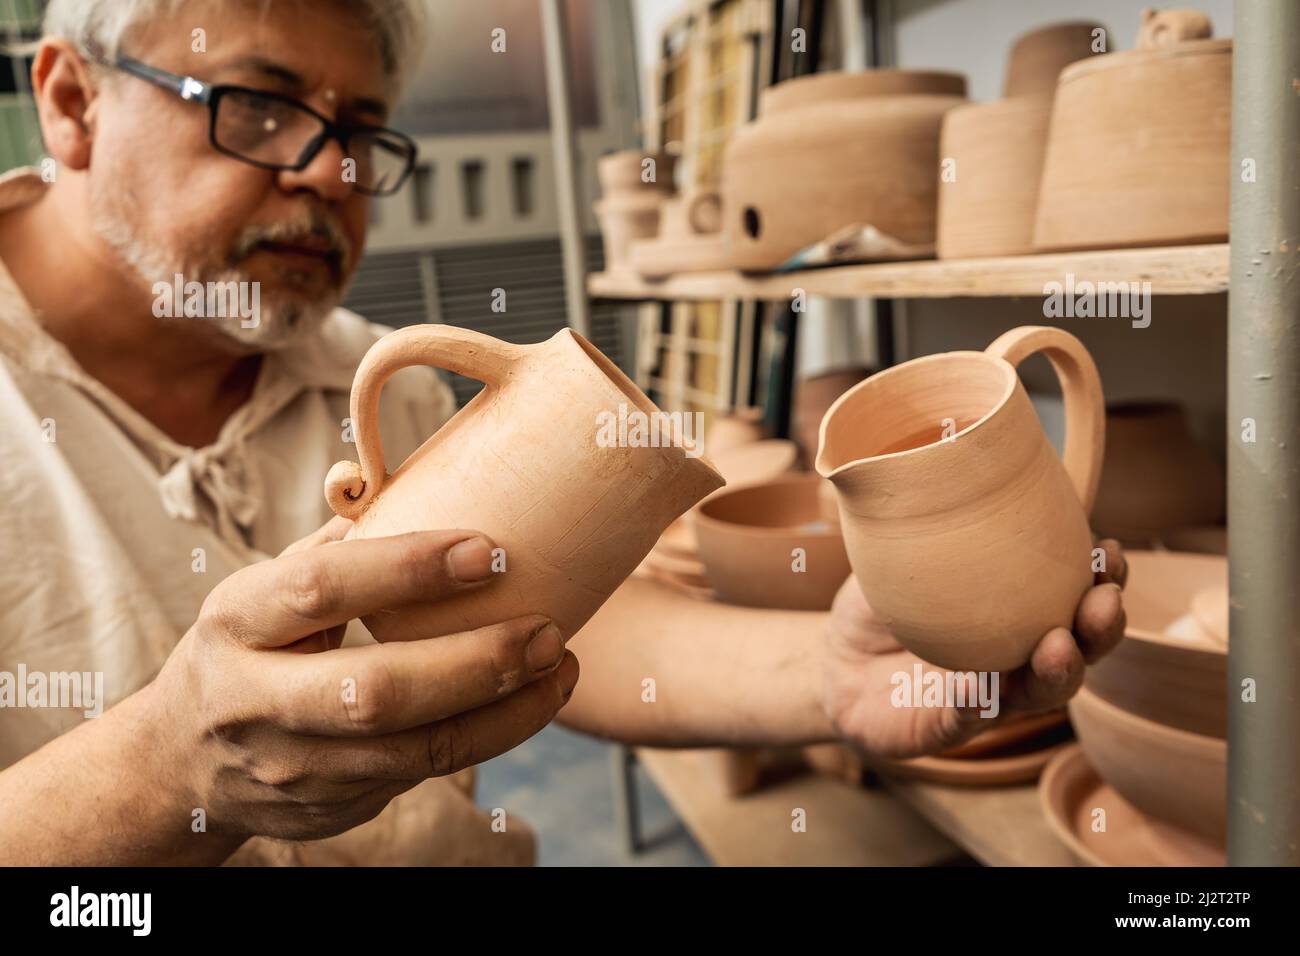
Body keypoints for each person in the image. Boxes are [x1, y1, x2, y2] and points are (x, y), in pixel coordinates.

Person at [0, 0, 1127, 866]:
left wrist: (829, 682)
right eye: (258, 104)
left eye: (361, 130)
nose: (326, 171)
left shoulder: (371, 376)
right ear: (72, 102)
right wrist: (163, 771)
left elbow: (549, 623)